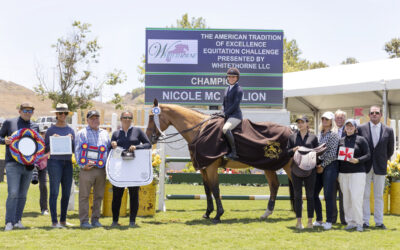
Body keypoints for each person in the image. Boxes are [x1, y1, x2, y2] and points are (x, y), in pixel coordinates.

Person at [0, 102, 39, 231]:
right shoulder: (9, 123)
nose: (28, 113)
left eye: (30, 111)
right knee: (13, 193)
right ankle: (9, 222)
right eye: (25, 110)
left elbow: (37, 145)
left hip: (28, 165)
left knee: (23, 194)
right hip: (12, 164)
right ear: (20, 111)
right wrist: (4, 140)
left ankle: (18, 220)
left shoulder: (34, 126)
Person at [110, 111, 151, 227]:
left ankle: (132, 221)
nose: (127, 119)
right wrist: (112, 144)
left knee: (134, 195)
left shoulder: (138, 131)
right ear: (121, 118)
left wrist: (136, 147)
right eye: (125, 117)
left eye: (129, 117)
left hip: (134, 168)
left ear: (132, 119)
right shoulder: (116, 133)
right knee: (117, 195)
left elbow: (148, 144)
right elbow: (110, 150)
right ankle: (114, 220)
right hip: (120, 168)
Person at [358, 105, 394, 229]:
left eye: (377, 113)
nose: (374, 115)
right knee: (365, 195)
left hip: (380, 166)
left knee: (379, 195)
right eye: (372, 113)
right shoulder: (361, 128)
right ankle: (365, 221)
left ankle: (379, 222)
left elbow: (390, 150)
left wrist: (382, 159)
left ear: (381, 115)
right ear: (369, 115)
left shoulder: (388, 130)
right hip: (365, 166)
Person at [75, 110, 110, 228]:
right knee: (84, 195)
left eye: (97, 118)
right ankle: (84, 221)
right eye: (92, 118)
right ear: (87, 120)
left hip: (101, 169)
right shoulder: (82, 133)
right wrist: (81, 165)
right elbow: (77, 150)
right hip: (87, 169)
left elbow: (108, 150)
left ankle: (95, 220)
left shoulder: (105, 133)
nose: (95, 120)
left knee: (99, 195)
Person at [45, 103, 75, 228]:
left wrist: (71, 139)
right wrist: (53, 140)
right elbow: (45, 148)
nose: (63, 115)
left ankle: (63, 220)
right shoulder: (51, 130)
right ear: (56, 114)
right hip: (54, 162)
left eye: (65, 113)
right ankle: (54, 221)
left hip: (67, 162)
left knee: (67, 193)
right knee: (54, 192)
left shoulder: (71, 130)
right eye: (61, 113)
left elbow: (74, 149)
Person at [338, 119, 370, 232]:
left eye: (351, 126)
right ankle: (350, 222)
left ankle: (359, 223)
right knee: (346, 199)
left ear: (355, 128)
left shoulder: (361, 140)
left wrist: (358, 160)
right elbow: (338, 158)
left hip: (358, 173)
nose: (349, 127)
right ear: (345, 128)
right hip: (343, 173)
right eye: (347, 126)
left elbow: (368, 155)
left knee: (356, 199)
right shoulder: (341, 140)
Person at [287, 116, 319, 229]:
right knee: (297, 196)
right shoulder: (292, 137)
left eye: (302, 122)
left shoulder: (313, 137)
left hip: (310, 170)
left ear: (307, 124)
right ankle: (299, 221)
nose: (300, 124)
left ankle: (310, 221)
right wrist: (293, 150)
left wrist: (317, 162)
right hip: (296, 170)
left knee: (310, 195)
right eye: (298, 123)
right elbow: (287, 152)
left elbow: (318, 153)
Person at [313, 111, 339, 230]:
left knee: (328, 195)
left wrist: (322, 165)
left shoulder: (334, 135)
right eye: (323, 119)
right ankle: (319, 219)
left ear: (331, 122)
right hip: (319, 166)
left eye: (327, 119)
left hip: (330, 167)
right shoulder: (319, 134)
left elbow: (333, 154)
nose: (324, 121)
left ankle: (329, 221)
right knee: (313, 193)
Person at [222, 67, 243, 160]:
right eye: (229, 77)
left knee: (225, 129)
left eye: (233, 77)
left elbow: (235, 105)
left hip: (235, 116)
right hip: (227, 114)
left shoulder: (239, 89)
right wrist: (221, 112)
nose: (231, 78)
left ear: (237, 78)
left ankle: (234, 152)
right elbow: (224, 103)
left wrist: (226, 113)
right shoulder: (227, 89)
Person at [333, 109, 346, 225]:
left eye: (341, 118)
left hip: (344, 169)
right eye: (337, 118)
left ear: (345, 119)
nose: (339, 120)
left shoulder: (349, 132)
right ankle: (332, 219)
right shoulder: (331, 132)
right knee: (331, 195)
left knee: (343, 196)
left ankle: (344, 219)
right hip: (332, 168)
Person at [36, 129, 49, 216]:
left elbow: (49, 154)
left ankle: (44, 208)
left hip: (43, 167)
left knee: (43, 186)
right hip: (32, 166)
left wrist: (40, 157)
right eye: (41, 133)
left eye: (44, 133)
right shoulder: (35, 142)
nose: (43, 135)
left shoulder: (48, 144)